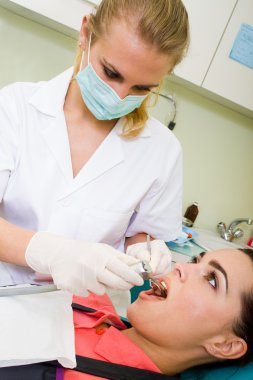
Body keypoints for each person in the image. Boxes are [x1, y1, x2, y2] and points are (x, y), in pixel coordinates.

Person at [0, 0, 189, 313]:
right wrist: (53, 252)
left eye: (142, 87)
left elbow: (139, 232)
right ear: (85, 34)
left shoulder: (163, 150)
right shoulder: (15, 108)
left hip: (85, 317)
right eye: (111, 72)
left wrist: (144, 248)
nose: (119, 96)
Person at [2, 248, 252, 379]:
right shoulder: (92, 295)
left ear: (226, 345)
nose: (182, 268)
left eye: (212, 280)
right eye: (196, 260)